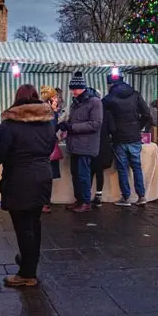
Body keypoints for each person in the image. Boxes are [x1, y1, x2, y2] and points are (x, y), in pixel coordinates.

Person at [0, 84, 56, 287]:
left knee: (23, 227)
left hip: (19, 178)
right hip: (43, 175)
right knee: (34, 223)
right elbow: (50, 147)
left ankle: (27, 273)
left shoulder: (9, 125)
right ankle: (30, 262)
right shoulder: (48, 123)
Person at [102, 73, 152, 207]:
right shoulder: (135, 94)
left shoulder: (109, 99)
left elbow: (102, 116)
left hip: (119, 138)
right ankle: (141, 196)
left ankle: (125, 197)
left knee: (122, 168)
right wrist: (138, 126)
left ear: (110, 84)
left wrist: (112, 130)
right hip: (135, 137)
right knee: (136, 167)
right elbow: (147, 114)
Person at [57, 72, 103, 213]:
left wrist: (72, 127)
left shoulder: (94, 102)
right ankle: (79, 200)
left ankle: (85, 202)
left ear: (81, 88)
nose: (72, 91)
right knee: (75, 173)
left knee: (83, 175)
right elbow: (74, 119)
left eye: (74, 89)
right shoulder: (76, 102)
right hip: (74, 144)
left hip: (86, 145)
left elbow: (95, 124)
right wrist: (66, 124)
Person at [40, 85, 60, 214]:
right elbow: (52, 130)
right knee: (46, 177)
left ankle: (44, 202)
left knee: (45, 177)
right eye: (54, 97)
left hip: (44, 148)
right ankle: (45, 203)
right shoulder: (48, 112)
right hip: (47, 149)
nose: (57, 99)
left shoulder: (46, 110)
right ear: (50, 99)